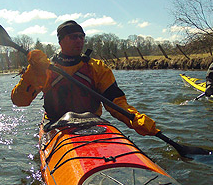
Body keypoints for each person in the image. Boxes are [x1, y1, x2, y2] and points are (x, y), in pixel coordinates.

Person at [11, 20, 158, 136]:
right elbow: (19, 101)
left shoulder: (97, 68)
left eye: (81, 37)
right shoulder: (45, 68)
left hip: (92, 124)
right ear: (60, 42)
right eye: (73, 37)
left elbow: (116, 102)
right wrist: (34, 70)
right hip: (56, 125)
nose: (79, 40)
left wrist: (136, 119)